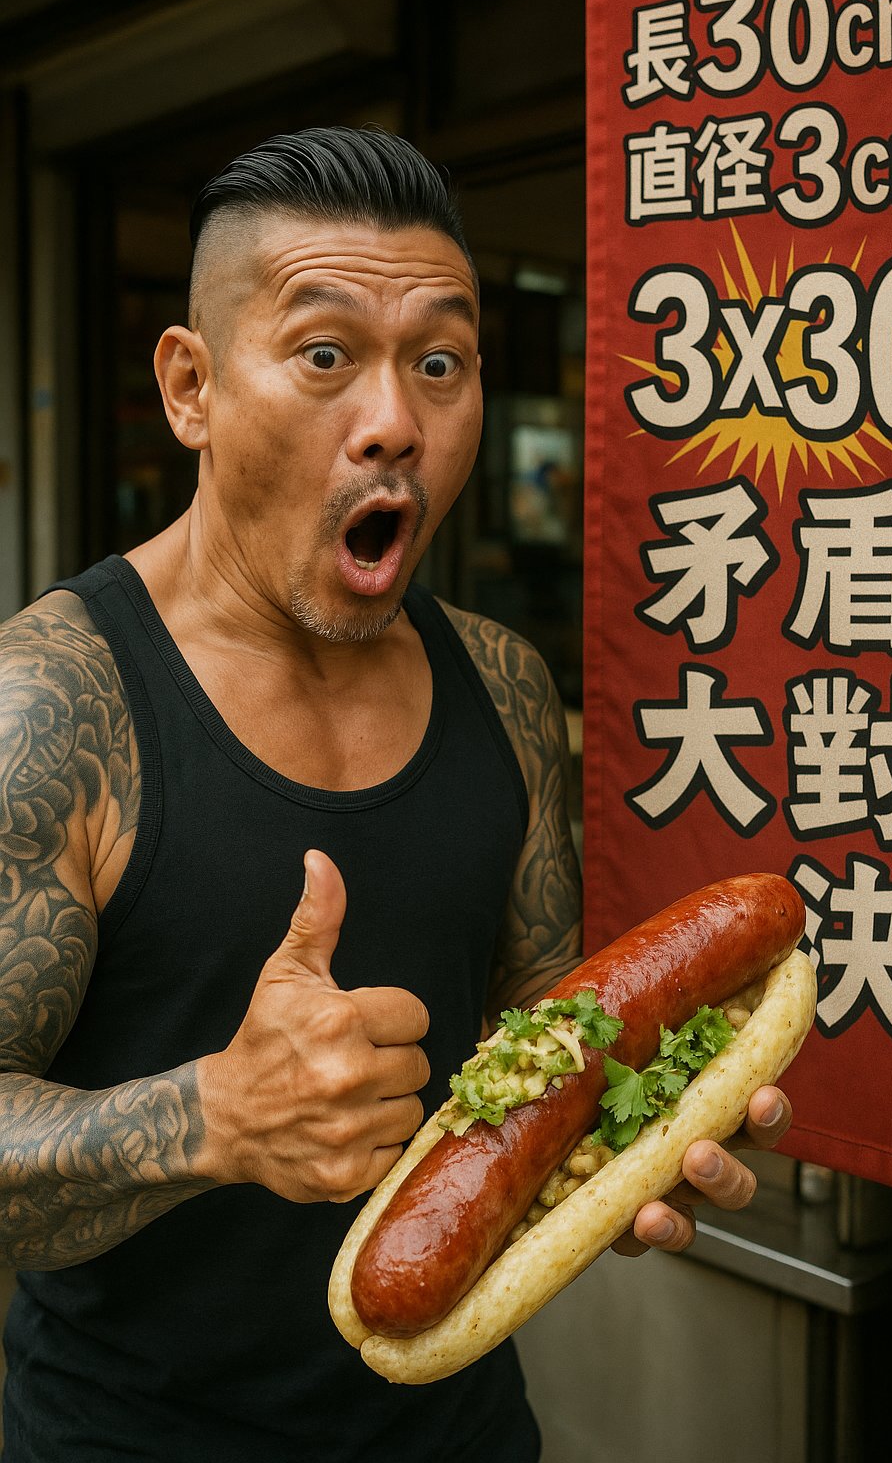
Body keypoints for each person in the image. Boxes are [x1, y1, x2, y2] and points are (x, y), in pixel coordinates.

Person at [0, 128, 792, 1462]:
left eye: (439, 363)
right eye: (325, 356)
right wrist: (212, 1118)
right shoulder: (49, 707)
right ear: (191, 388)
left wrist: (638, 1136)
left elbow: (539, 1043)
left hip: (465, 1434)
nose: (395, 424)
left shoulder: (505, 685)